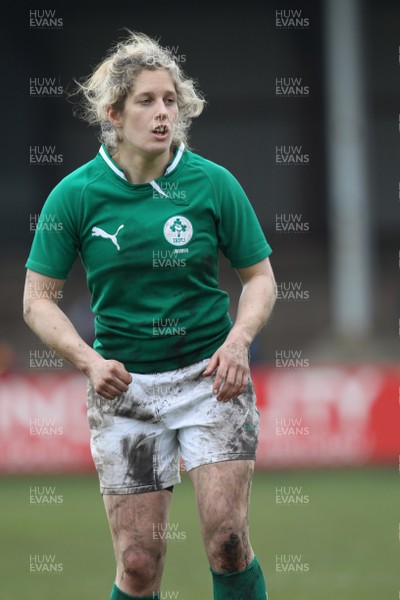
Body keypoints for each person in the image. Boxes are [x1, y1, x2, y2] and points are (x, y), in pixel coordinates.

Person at [23, 31, 277, 600]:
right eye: (146, 100)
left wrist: (238, 341)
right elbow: (36, 300)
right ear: (113, 113)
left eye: (170, 100)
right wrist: (90, 363)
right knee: (138, 563)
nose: (163, 113)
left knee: (228, 539)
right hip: (125, 389)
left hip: (212, 378)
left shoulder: (213, 183)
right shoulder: (75, 195)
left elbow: (259, 278)